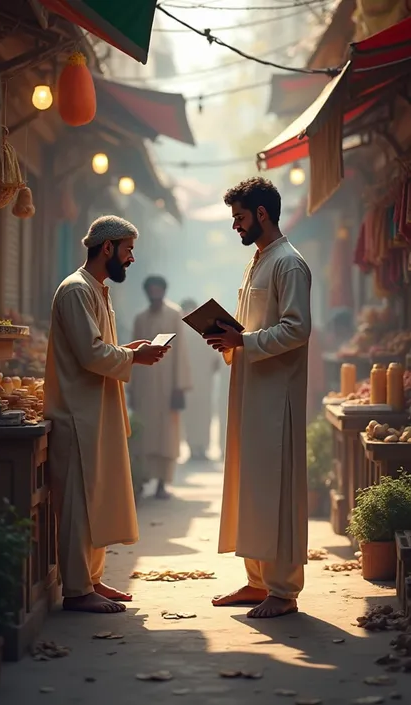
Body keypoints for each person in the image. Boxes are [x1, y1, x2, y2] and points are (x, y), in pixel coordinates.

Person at [44, 216, 170, 614]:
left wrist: (128, 349)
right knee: (79, 506)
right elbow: (90, 354)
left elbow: (99, 346)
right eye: (128, 249)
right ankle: (78, 591)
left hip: (96, 413)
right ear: (107, 248)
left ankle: (92, 581)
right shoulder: (76, 290)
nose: (131, 258)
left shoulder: (96, 290)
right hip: (77, 416)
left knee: (94, 501)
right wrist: (134, 355)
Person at [205, 177, 311, 619]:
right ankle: (257, 581)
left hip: (276, 396)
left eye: (240, 217)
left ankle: (284, 590)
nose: (236, 226)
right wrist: (230, 339)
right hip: (249, 389)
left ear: (262, 214)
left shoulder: (289, 263)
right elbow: (250, 328)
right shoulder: (258, 261)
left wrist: (245, 340)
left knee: (278, 488)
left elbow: (297, 328)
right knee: (250, 485)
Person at [130, 276, 191, 499]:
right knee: (143, 436)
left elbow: (181, 351)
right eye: (151, 290)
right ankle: (141, 480)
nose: (155, 293)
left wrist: (180, 387)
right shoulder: (140, 319)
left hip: (168, 388)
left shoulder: (175, 314)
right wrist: (132, 389)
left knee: (167, 436)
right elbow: (132, 355)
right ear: (147, 292)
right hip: (144, 387)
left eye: (158, 290)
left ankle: (162, 483)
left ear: (164, 291)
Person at [180, 298, 219, 461]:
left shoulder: (206, 329)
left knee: (204, 415)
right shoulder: (179, 330)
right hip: (186, 381)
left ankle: (202, 448)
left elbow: (216, 357)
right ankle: (191, 448)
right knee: (189, 415)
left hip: (204, 381)